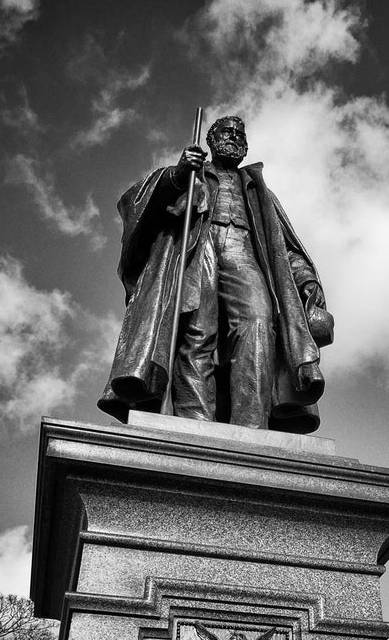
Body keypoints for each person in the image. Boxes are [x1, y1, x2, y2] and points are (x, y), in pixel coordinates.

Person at [98, 116, 333, 433]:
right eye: (227, 132)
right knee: (197, 333)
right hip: (199, 248)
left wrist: (306, 278)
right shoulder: (192, 175)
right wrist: (178, 175)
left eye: (240, 134)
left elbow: (284, 246)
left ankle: (251, 427)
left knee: (260, 325)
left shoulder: (257, 190)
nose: (235, 137)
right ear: (210, 139)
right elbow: (135, 204)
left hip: (243, 250)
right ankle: (197, 425)